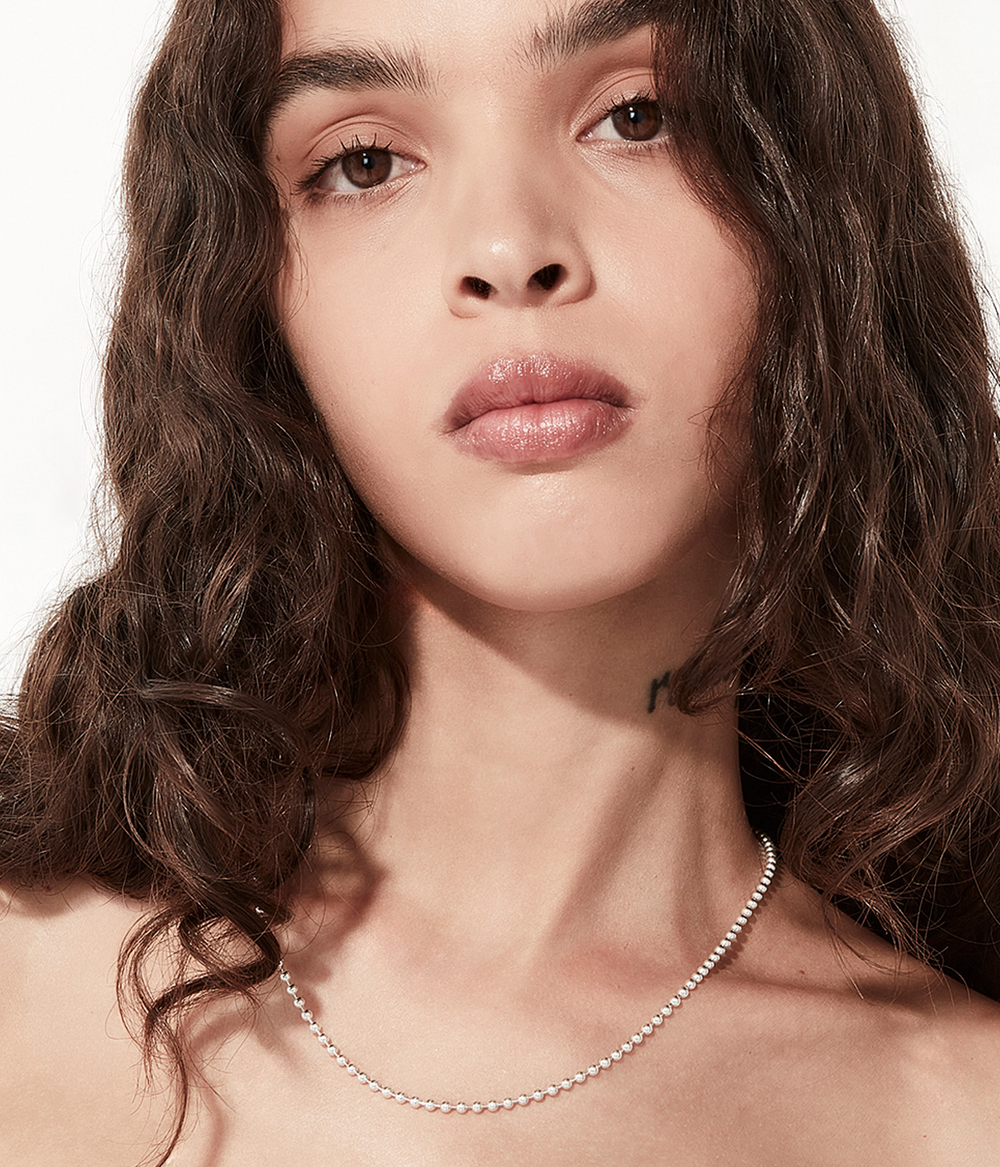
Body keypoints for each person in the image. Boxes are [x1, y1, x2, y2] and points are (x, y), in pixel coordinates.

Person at [2, 0, 999, 1163]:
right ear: (250, 303)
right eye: (364, 163)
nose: (509, 249)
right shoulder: (22, 970)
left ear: (817, 208)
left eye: (638, 117)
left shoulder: (953, 1115)